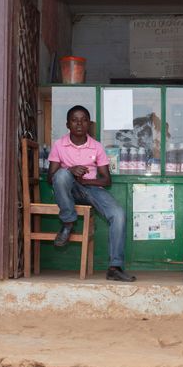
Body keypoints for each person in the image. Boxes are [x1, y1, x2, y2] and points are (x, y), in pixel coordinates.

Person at [48, 105, 136, 282]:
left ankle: (115, 267)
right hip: (67, 191)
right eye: (74, 120)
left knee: (118, 215)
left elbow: (106, 180)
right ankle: (68, 222)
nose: (79, 124)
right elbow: (51, 178)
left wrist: (86, 181)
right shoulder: (59, 145)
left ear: (89, 124)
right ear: (67, 124)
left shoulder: (96, 147)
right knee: (62, 174)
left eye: (84, 120)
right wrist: (71, 170)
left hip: (91, 189)